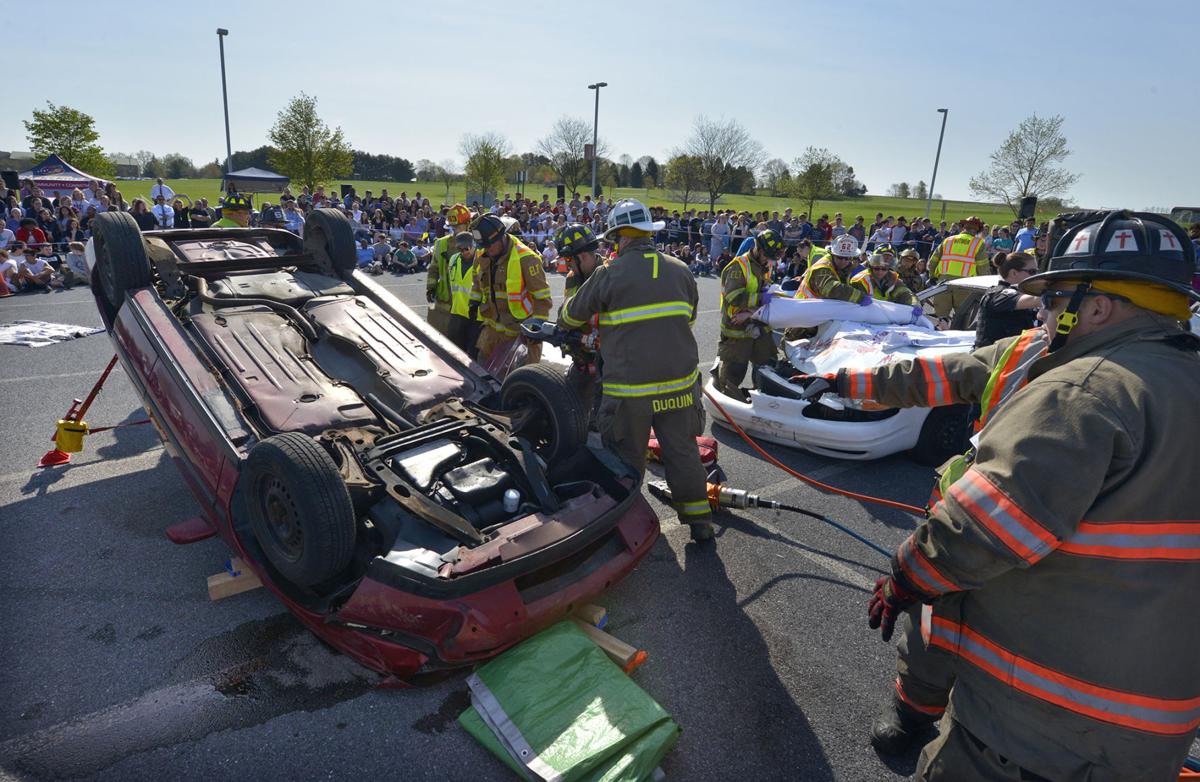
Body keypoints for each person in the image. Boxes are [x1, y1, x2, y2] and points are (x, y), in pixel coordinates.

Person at [807, 210, 1200, 780]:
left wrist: (905, 576)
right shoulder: (1058, 358)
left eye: (1055, 296)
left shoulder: (1082, 389)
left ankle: (915, 722)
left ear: (1098, 306)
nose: (1040, 308)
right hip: (1149, 723)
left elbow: (982, 532)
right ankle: (911, 719)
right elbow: (940, 373)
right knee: (931, 641)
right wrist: (846, 380)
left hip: (1045, 720)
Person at [559, 199, 714, 542]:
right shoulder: (681, 270)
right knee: (683, 452)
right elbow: (687, 319)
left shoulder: (607, 273)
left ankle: (629, 526)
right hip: (679, 387)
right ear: (648, 232)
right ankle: (700, 523)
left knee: (626, 457)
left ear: (618, 237)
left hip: (631, 392)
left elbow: (571, 317)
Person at [468, 213, 552, 372]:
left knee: (522, 381)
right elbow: (477, 283)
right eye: (483, 246)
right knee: (483, 374)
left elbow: (542, 299)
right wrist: (474, 301)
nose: (487, 249)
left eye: (490, 245)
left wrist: (536, 327)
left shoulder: (526, 259)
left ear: (501, 236)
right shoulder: (482, 254)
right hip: (492, 331)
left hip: (520, 335)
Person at [715, 229, 784, 401]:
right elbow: (733, 297)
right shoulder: (739, 267)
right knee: (735, 370)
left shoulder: (764, 264)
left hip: (758, 323)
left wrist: (769, 294)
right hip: (737, 329)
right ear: (758, 249)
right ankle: (726, 404)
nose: (770, 261)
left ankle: (760, 400)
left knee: (766, 365)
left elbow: (765, 284)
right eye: (767, 256)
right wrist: (761, 298)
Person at [554, 222, 607, 416]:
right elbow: (569, 311)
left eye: (568, 259)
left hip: (606, 362)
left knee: (602, 419)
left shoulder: (610, 275)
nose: (566, 264)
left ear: (582, 256)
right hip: (581, 357)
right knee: (569, 408)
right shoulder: (572, 277)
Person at [974, 252, 1040, 348]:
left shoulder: (1018, 293)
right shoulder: (999, 295)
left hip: (1012, 356)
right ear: (1014, 273)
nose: (1035, 276)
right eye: (1032, 272)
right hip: (992, 358)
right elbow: (1035, 300)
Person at [928, 216, 986, 321]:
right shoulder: (978, 243)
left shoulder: (948, 240)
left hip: (944, 283)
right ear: (978, 229)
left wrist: (932, 276)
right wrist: (985, 285)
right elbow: (983, 267)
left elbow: (933, 261)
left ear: (963, 227)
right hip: (965, 284)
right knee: (962, 319)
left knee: (940, 318)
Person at [427, 204, 472, 337]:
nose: (455, 230)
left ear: (468, 224)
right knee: (439, 338)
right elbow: (434, 267)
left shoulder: (475, 245)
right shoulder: (441, 243)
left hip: (467, 304)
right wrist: (431, 287)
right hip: (444, 299)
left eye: (458, 226)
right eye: (453, 227)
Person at [795, 233, 870, 304]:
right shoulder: (822, 268)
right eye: (840, 257)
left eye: (847, 258)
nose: (843, 261)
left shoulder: (845, 268)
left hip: (819, 308)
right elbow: (830, 288)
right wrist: (859, 297)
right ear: (832, 254)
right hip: (805, 307)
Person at [445, 232, 481, 357]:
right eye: (460, 249)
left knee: (472, 354)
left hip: (477, 315)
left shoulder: (483, 261)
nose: (464, 251)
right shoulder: (453, 259)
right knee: (453, 351)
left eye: (466, 248)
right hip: (457, 312)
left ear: (474, 245)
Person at [851, 253, 917, 305]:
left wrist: (914, 304)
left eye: (884, 269)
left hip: (885, 313)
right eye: (876, 268)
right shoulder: (860, 280)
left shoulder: (893, 277)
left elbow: (906, 293)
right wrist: (860, 299)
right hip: (865, 312)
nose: (880, 272)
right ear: (871, 268)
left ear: (888, 269)